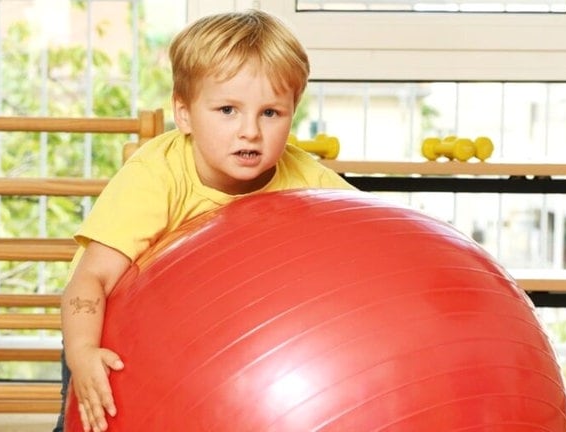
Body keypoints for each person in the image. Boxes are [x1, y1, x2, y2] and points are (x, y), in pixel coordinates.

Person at [54, 9, 355, 432]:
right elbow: (91, 281)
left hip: (233, 338)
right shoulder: (156, 176)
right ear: (185, 114)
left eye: (271, 113)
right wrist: (82, 352)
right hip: (110, 332)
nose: (250, 130)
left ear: (293, 111)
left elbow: (379, 243)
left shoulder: (311, 183)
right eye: (227, 110)